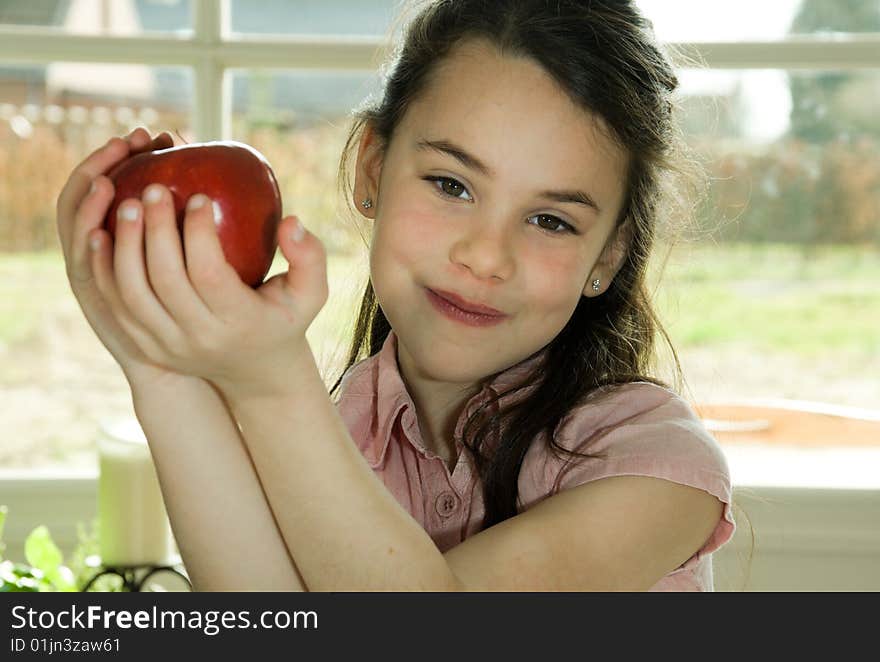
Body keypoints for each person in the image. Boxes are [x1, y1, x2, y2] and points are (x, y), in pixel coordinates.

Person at [56, 0, 735, 591]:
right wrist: (155, 360)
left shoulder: (657, 465)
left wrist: (272, 384)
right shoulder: (332, 438)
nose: (484, 256)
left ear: (607, 258)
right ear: (372, 167)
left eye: (550, 220)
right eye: (451, 184)